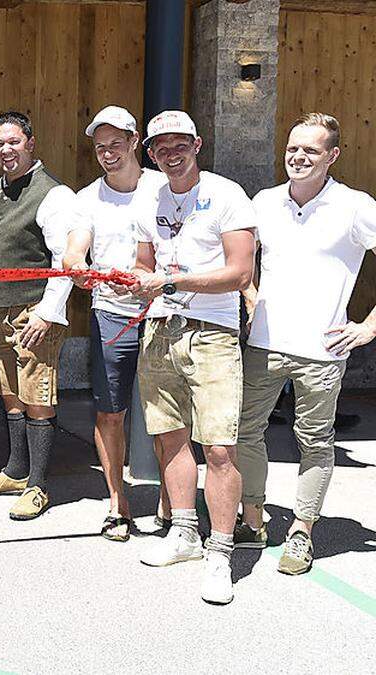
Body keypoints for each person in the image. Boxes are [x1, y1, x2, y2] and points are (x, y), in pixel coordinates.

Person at [125, 110, 255, 605]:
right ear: (151, 154)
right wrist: (133, 282)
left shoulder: (227, 195)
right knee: (170, 442)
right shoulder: (148, 198)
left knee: (220, 448)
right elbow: (144, 264)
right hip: (159, 328)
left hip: (213, 333)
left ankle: (220, 553)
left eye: (179, 144)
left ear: (197, 144)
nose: (170, 154)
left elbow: (240, 273)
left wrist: (170, 282)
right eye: (160, 147)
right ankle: (184, 534)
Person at [236, 112, 376, 574]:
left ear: (332, 156)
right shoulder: (265, 201)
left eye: (311, 150)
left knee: (315, 442)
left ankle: (301, 531)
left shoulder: (355, 206)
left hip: (323, 350)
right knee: (245, 432)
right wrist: (250, 294)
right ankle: (253, 519)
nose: (298, 157)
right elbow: (240, 256)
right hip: (265, 344)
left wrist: (369, 328)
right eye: (293, 148)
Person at [63, 106, 169, 541]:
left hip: (166, 315)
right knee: (110, 413)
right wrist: (77, 268)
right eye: (99, 147)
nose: (107, 153)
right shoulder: (87, 197)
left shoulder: (165, 187)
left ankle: (170, 502)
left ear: (134, 141)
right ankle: (117, 503)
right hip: (111, 316)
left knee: (170, 414)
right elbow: (74, 251)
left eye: (115, 144)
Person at [0, 111, 78, 521]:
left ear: (31, 143)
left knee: (37, 397)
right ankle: (16, 471)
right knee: (11, 394)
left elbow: (64, 260)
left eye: (13, 142)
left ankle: (37, 485)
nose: (5, 150)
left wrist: (47, 314)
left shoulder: (54, 194)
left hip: (33, 311)